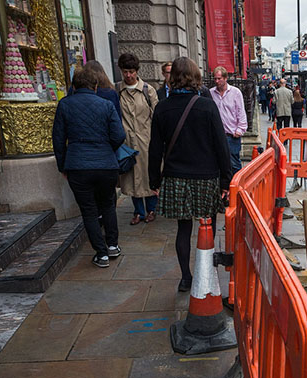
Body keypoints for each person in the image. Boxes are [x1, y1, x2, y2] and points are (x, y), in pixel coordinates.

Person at [148, 57, 232, 292]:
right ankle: (206, 270)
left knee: (183, 229)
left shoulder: (162, 108)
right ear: (196, 78)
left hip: (175, 177)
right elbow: (221, 145)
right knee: (208, 225)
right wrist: (226, 179)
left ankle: (186, 276)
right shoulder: (206, 106)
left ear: (172, 77)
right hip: (206, 177)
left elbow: (154, 148)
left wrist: (154, 179)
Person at [53, 66, 126, 268]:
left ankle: (101, 254)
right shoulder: (106, 105)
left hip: (78, 165)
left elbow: (58, 140)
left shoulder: (65, 105)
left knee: (89, 210)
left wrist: (63, 166)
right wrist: (106, 149)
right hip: (106, 165)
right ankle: (113, 245)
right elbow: (119, 135)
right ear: (95, 86)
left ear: (74, 86)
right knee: (108, 205)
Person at [116, 53, 159, 225]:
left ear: (137, 71)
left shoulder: (148, 91)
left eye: (131, 71)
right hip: (126, 142)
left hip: (146, 140)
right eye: (125, 71)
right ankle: (138, 211)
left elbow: (157, 117)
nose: (128, 75)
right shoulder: (117, 90)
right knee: (131, 178)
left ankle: (151, 209)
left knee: (148, 176)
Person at [210, 66, 247, 177]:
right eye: (215, 79)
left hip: (231, 135)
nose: (217, 81)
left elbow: (241, 112)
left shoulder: (235, 92)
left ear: (225, 78)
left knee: (234, 164)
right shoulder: (211, 93)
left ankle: (236, 190)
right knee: (218, 164)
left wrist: (239, 130)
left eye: (219, 78)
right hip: (216, 135)